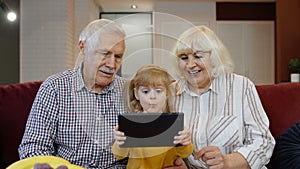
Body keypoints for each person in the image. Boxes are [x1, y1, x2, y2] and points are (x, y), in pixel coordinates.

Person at [18, 19, 128, 168]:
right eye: (104, 54)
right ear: (83, 48)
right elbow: (33, 147)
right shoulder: (54, 88)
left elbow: (147, 144)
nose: (111, 64)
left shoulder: (129, 91)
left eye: (118, 57)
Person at [169, 25, 275, 169]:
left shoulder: (241, 86)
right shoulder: (170, 93)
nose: (191, 64)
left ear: (214, 58)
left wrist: (228, 162)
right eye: (184, 58)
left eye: (198, 56)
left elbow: (263, 142)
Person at [112, 64, 194, 169]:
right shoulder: (132, 124)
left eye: (159, 91)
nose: (152, 96)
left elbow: (185, 153)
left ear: (167, 93)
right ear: (137, 94)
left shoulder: (172, 123)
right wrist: (120, 142)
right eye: (146, 91)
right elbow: (119, 155)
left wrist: (184, 142)